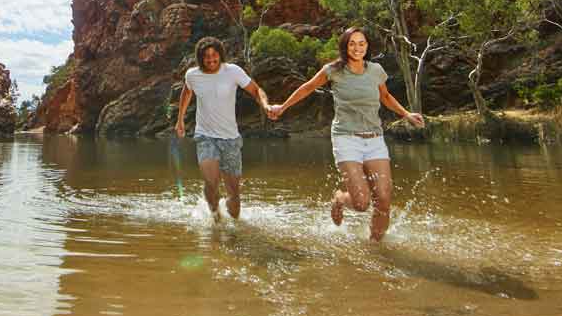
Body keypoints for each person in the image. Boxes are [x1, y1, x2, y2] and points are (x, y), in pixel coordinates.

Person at [267, 27, 424, 241]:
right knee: (361, 203)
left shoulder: (376, 70)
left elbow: (385, 97)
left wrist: (406, 114)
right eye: (352, 43)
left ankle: (376, 249)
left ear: (367, 47)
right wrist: (282, 107)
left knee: (384, 199)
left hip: (374, 139)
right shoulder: (333, 70)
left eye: (362, 43)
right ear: (345, 46)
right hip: (346, 138)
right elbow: (307, 88)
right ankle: (340, 199)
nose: (357, 47)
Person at [175, 36, 270, 221]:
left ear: (220, 55)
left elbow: (256, 90)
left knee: (234, 194)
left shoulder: (233, 72)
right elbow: (186, 92)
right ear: (200, 58)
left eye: (214, 55)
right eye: (206, 56)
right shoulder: (192, 75)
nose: (210, 59)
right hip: (205, 136)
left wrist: (265, 105)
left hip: (230, 139)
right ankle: (215, 218)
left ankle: (233, 223)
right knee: (211, 184)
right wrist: (180, 120)